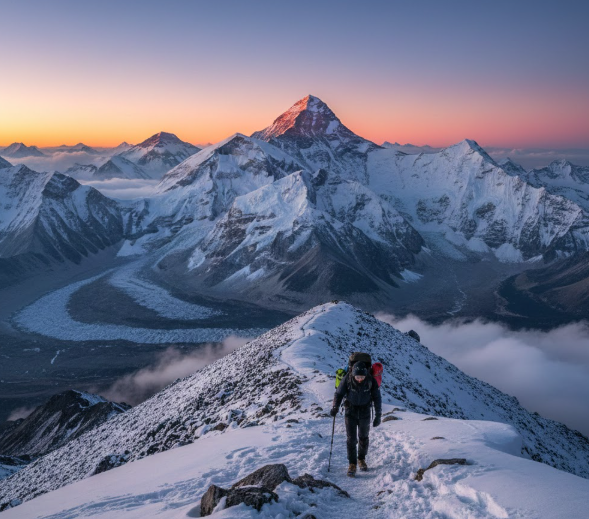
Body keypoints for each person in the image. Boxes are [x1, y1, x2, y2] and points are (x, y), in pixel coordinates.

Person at [330, 361, 382, 476]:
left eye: (362, 377)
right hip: (350, 411)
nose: (360, 379)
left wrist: (378, 415)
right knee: (351, 439)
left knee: (363, 437)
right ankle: (352, 463)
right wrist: (335, 407)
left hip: (365, 412)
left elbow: (377, 397)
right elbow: (338, 394)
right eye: (357, 377)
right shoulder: (347, 379)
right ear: (353, 374)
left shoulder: (370, 380)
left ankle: (361, 459)